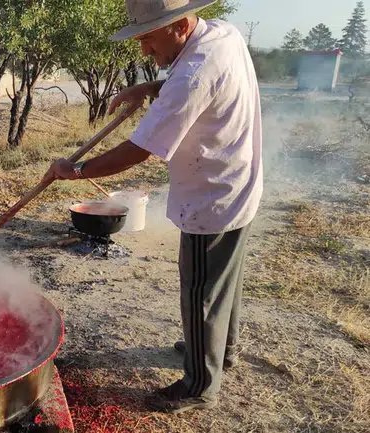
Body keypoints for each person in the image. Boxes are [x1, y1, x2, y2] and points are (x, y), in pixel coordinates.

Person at [44, 0, 263, 414]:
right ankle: (221, 348)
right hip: (240, 183)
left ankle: (200, 383)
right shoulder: (222, 34)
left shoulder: (191, 76)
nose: (145, 51)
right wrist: (148, 88)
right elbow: (198, 79)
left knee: (201, 289)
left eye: (148, 38)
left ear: (180, 25)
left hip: (211, 197)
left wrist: (75, 169)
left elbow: (139, 150)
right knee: (223, 282)